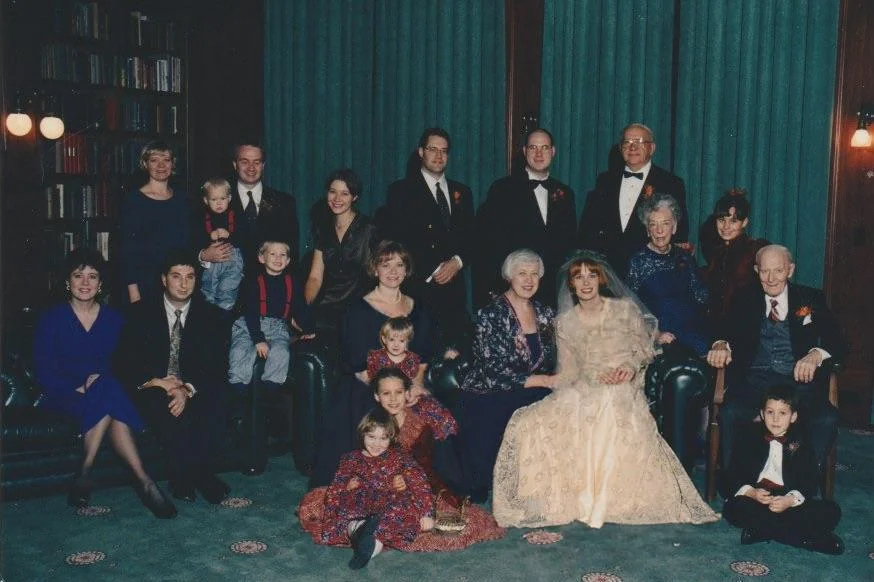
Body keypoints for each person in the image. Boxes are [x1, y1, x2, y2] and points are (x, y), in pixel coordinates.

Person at [492, 253, 718, 528]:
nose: (586, 282)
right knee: (529, 420)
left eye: (592, 275)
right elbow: (568, 371)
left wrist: (630, 368)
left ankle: (602, 499)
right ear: (571, 284)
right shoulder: (564, 323)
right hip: (585, 384)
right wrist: (590, 374)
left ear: (601, 279)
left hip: (623, 383)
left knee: (609, 401)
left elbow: (644, 350)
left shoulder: (624, 310)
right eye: (579, 277)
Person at [33, 250, 175, 518]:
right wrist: (78, 387)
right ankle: (145, 482)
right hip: (65, 395)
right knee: (109, 396)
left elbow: (125, 365)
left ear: (101, 283)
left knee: (107, 388)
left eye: (92, 276)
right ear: (67, 282)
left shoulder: (115, 319)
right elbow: (45, 370)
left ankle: (85, 473)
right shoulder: (51, 318)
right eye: (78, 276)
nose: (85, 283)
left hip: (106, 390)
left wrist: (98, 382)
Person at [298, 369, 505, 552]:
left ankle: (371, 534)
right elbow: (359, 459)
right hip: (374, 486)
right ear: (377, 396)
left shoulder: (419, 422)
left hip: (413, 488)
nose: (393, 399)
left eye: (398, 392)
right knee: (336, 504)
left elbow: (427, 467)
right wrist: (357, 480)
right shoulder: (372, 421)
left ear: (407, 393)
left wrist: (406, 480)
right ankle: (364, 530)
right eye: (386, 393)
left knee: (411, 515)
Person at [707, 245, 845, 473]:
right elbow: (720, 327)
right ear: (756, 271)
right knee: (730, 413)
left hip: (799, 385)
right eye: (764, 271)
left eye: (778, 271)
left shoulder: (810, 297)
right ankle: (737, 484)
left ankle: (802, 483)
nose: (771, 279)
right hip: (754, 383)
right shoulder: (744, 298)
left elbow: (839, 341)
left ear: (790, 270)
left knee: (827, 418)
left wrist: (816, 355)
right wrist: (720, 344)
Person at [309, 241, 435, 488]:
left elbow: (423, 357)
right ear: (375, 269)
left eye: (399, 265)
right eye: (385, 265)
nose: (393, 271)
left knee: (432, 413)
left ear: (407, 269)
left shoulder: (418, 307)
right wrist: (391, 395)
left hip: (409, 385)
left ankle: (418, 487)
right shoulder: (358, 309)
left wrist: (415, 386)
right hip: (368, 386)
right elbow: (359, 366)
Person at [116, 249, 231, 506]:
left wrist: (186, 388)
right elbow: (124, 361)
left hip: (191, 384)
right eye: (176, 276)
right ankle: (185, 476)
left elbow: (215, 366)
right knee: (164, 404)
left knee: (214, 398)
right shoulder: (140, 312)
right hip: (153, 384)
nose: (183, 284)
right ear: (163, 279)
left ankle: (198, 473)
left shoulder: (211, 315)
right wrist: (158, 382)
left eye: (190, 277)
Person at [455, 249, 556, 501]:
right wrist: (542, 380)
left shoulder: (545, 312)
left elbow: (554, 358)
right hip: (489, 390)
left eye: (534, 274)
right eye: (522, 273)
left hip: (531, 389)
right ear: (509, 277)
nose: (529, 280)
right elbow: (492, 369)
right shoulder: (491, 314)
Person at [381, 128, 475, 352]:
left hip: (455, 294)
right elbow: (399, 241)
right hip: (419, 289)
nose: (439, 156)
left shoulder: (462, 191)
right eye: (433, 149)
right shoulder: (401, 191)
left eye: (444, 151)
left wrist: (457, 262)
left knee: (455, 357)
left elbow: (472, 237)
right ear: (421, 152)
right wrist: (434, 269)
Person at [720, 385, 843, 555]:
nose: (775, 419)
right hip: (758, 499)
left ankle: (762, 531)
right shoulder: (749, 436)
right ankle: (810, 541)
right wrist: (751, 493)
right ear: (762, 414)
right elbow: (734, 472)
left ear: (793, 417)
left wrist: (790, 500)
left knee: (831, 510)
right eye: (770, 412)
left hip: (787, 500)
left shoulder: (801, 440)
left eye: (783, 413)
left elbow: (809, 479)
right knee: (734, 507)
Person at [307, 408, 435, 570]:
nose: (377, 444)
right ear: (362, 435)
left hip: (389, 503)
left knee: (402, 514)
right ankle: (358, 528)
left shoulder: (400, 457)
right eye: (371, 437)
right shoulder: (351, 459)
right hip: (360, 504)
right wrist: (341, 495)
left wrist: (426, 513)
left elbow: (419, 482)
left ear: (392, 438)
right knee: (343, 513)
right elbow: (337, 485)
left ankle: (367, 540)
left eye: (383, 438)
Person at [475, 128, 577, 308]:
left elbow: (569, 244)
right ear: (524, 151)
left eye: (544, 148)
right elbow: (489, 244)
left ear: (553, 152)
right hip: (514, 290)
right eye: (533, 147)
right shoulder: (502, 189)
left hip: (553, 292)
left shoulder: (565, 193)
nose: (539, 153)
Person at [579, 123, 688, 275]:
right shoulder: (605, 180)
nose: (632, 147)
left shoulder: (671, 183)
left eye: (639, 142)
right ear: (621, 148)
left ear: (652, 148)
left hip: (650, 272)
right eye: (627, 142)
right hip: (608, 272)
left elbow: (679, 234)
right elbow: (589, 228)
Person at [199, 141, 298, 277]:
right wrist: (203, 256)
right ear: (235, 165)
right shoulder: (215, 199)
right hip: (225, 283)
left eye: (257, 162)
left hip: (268, 284)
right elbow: (194, 242)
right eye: (244, 162)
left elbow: (292, 252)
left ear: (263, 165)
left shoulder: (284, 202)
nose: (251, 168)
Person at [627, 193, 709, 356]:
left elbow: (701, 298)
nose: (659, 230)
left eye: (665, 223)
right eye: (653, 224)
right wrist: (655, 334)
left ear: (675, 227)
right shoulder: (637, 261)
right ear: (647, 229)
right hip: (659, 339)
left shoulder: (685, 257)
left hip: (693, 335)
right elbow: (630, 309)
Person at [304, 168, 379, 350]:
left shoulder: (370, 229)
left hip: (360, 307)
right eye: (333, 192)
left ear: (355, 197)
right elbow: (315, 278)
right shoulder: (323, 228)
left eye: (344, 193)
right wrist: (305, 309)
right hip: (328, 306)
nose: (337, 199)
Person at [228, 240, 313, 394]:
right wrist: (258, 340)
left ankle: (271, 388)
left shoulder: (292, 283)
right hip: (249, 325)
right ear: (262, 258)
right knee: (240, 350)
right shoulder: (253, 281)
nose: (278, 258)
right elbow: (251, 312)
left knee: (281, 352)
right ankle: (238, 387)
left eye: (283, 255)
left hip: (278, 328)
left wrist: (307, 329)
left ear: (288, 260)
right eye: (272, 254)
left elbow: (300, 308)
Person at [120, 141, 191, 304]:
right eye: (154, 160)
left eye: (166, 160)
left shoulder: (183, 199)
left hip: (178, 284)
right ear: (145, 164)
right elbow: (127, 251)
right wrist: (134, 292)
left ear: (173, 164)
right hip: (144, 285)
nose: (161, 165)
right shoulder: (133, 201)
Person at [701, 188, 769, 333]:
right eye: (721, 220)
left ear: (744, 222)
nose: (726, 227)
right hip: (719, 329)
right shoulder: (716, 253)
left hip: (749, 329)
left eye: (733, 221)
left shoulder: (756, 249)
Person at [196, 178, 245, 312]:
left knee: (227, 290)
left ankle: (224, 314)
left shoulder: (236, 215)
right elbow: (197, 240)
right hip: (211, 263)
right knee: (208, 290)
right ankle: (208, 314)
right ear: (206, 200)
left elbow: (244, 239)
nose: (219, 203)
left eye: (222, 198)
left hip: (232, 259)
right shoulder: (201, 217)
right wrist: (208, 238)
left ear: (229, 198)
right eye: (214, 199)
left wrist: (230, 235)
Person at [358, 316, 424, 385]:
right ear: (384, 339)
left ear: (408, 341)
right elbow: (368, 381)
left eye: (401, 341)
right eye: (392, 340)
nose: (396, 345)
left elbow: (415, 383)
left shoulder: (412, 359)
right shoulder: (375, 357)